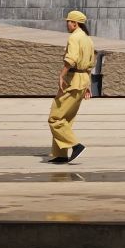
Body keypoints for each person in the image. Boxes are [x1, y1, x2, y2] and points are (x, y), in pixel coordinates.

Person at [49, 9, 94, 164]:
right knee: (66, 119)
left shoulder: (74, 37)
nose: (67, 24)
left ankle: (75, 146)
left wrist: (61, 75)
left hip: (72, 80)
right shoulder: (88, 39)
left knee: (55, 118)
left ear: (75, 23)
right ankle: (61, 154)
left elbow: (71, 59)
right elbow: (90, 64)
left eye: (68, 22)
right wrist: (88, 84)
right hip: (82, 80)